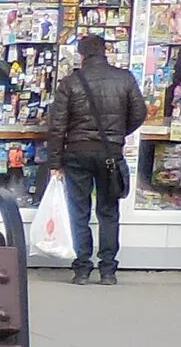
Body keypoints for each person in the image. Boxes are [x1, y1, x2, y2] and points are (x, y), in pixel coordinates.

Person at [43, 31, 145, 284]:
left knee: (79, 211)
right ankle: (108, 270)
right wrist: (118, 134)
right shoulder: (125, 79)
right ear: (105, 52)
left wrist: (55, 161)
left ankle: (82, 268)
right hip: (111, 153)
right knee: (109, 211)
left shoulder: (70, 83)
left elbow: (57, 125)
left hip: (77, 152)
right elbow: (139, 113)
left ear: (81, 55)